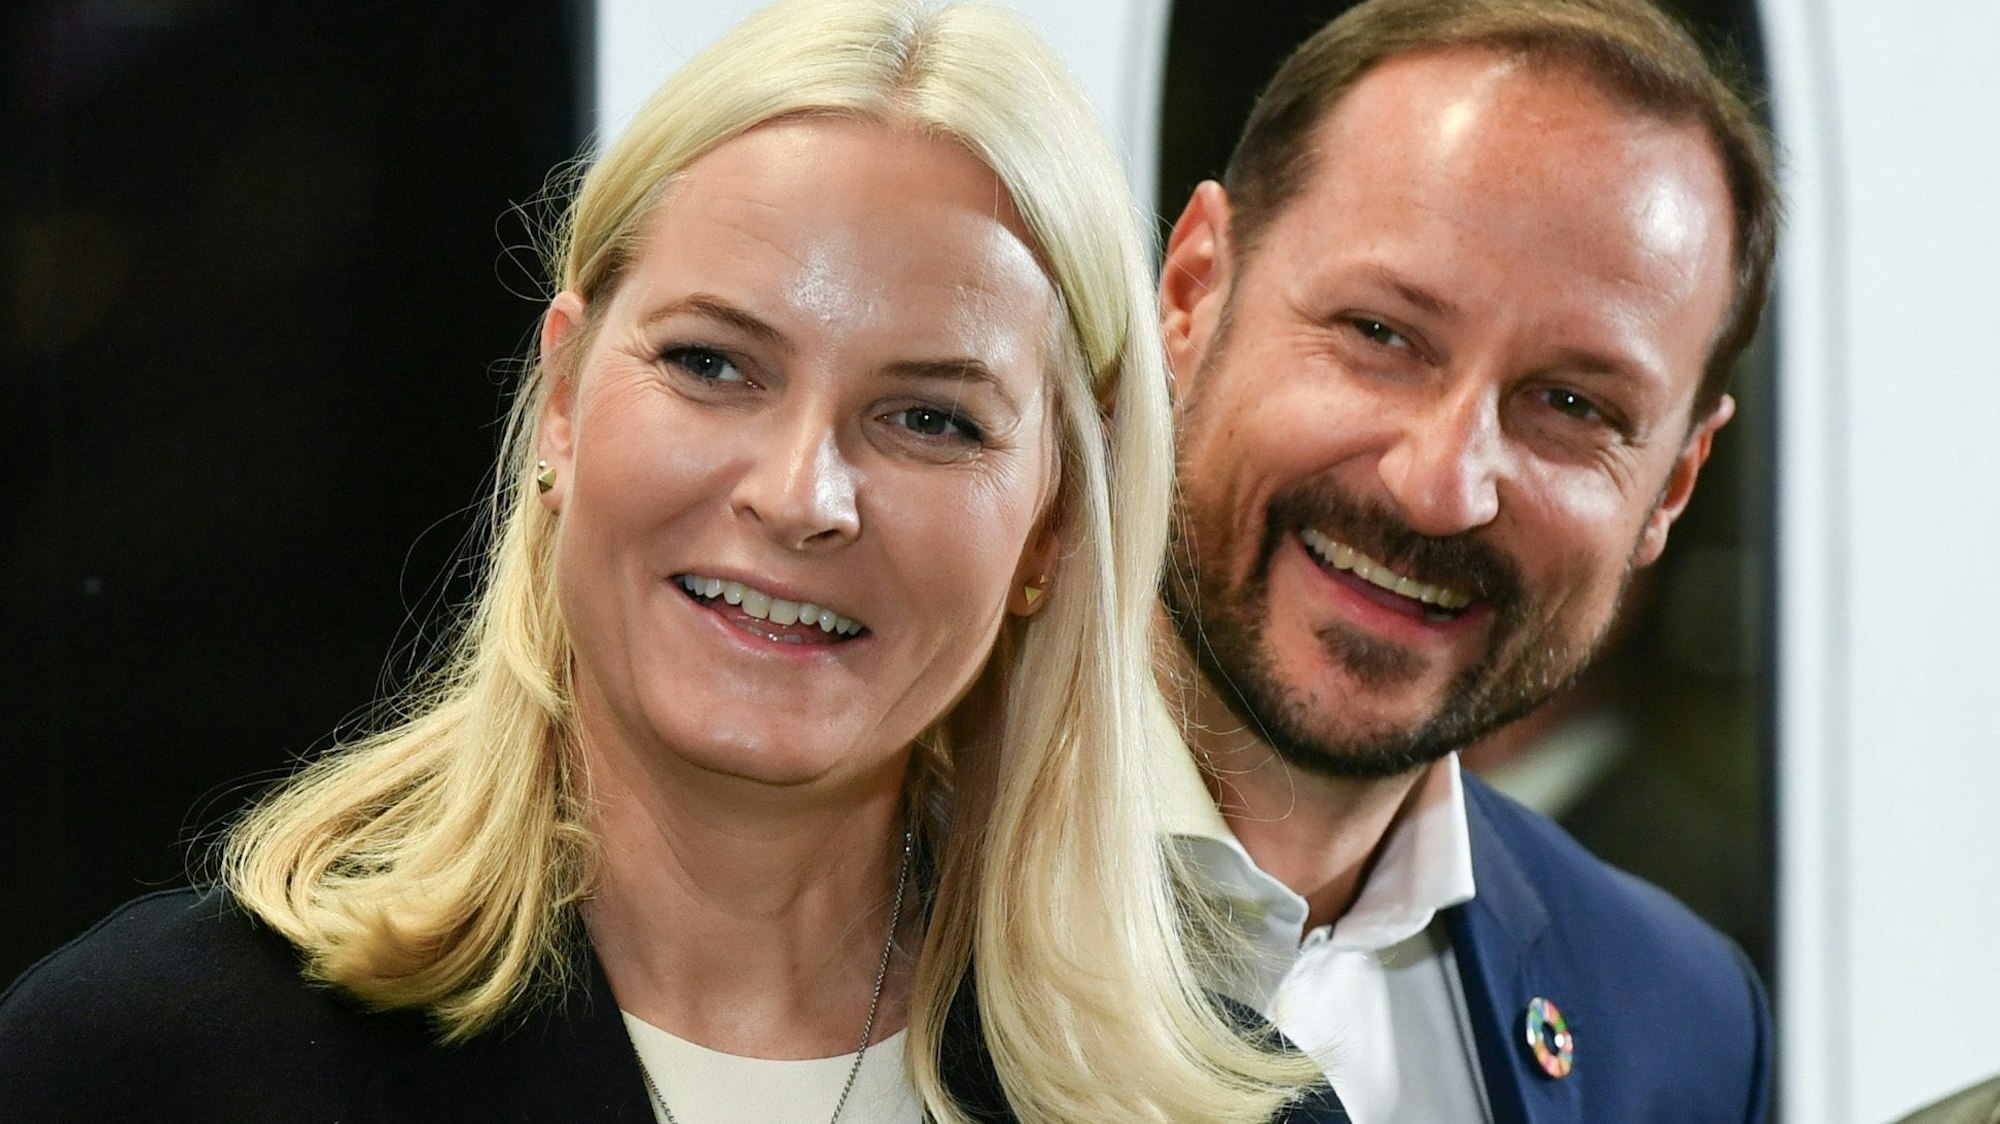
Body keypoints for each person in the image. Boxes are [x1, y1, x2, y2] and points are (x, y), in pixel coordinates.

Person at [0, 2, 1341, 1121]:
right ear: (565, 398)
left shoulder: (1229, 1110)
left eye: (930, 419)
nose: (800, 495)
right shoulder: (141, 1066)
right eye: (712, 363)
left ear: (1050, 522)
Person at [1153, 0, 1778, 1121]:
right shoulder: (849, 881)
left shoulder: (1677, 1026)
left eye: (1572, 405)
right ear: (1194, 292)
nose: (1441, 485)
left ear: (1672, 487)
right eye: (1380, 334)